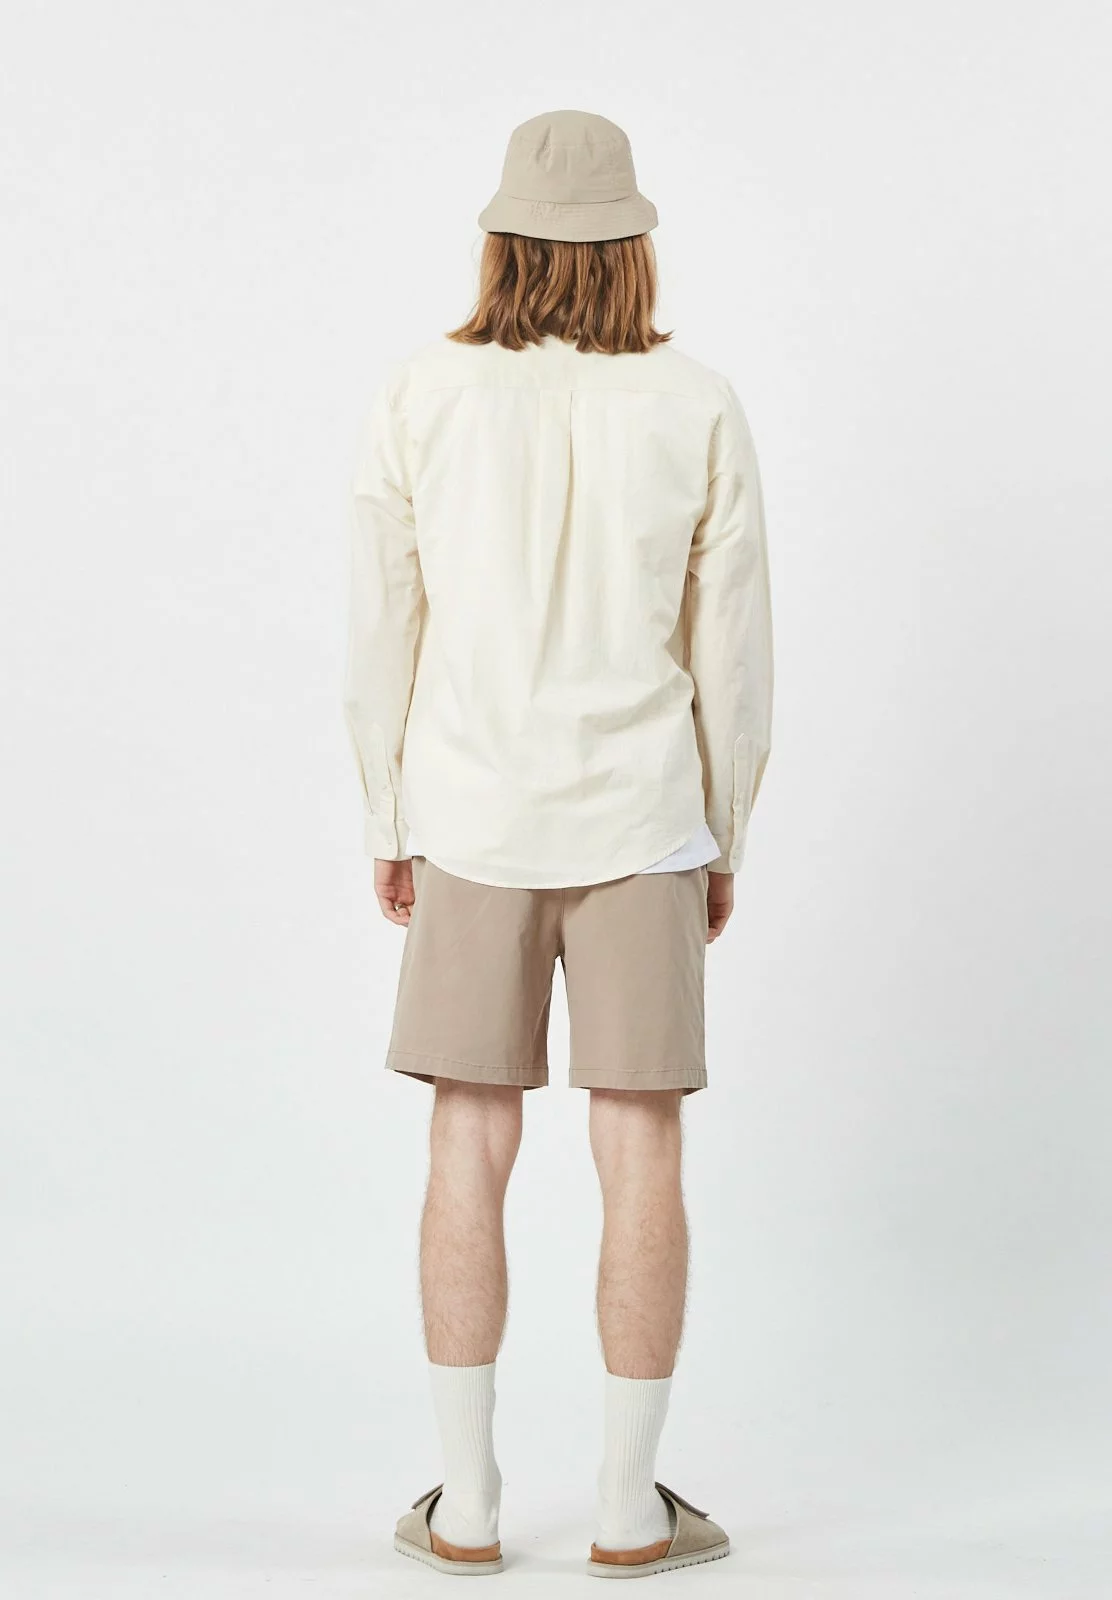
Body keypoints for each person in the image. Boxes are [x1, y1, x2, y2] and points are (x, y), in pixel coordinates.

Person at [343, 108, 773, 1579]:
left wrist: (387, 814)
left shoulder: (422, 392)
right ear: (633, 244)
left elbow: (380, 627)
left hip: (471, 811)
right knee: (639, 1143)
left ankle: (466, 1505)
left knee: (468, 1139)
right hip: (644, 814)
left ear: (501, 239)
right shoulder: (697, 402)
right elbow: (733, 651)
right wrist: (724, 832)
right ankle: (628, 1506)